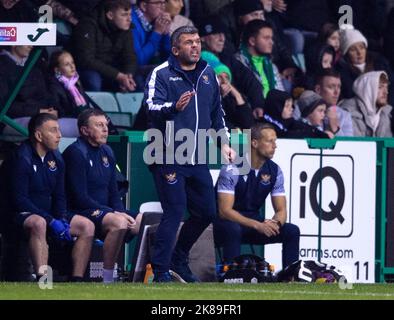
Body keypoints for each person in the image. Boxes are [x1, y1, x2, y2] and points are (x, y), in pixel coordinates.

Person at [145, 25, 235, 282]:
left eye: (197, 42)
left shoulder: (209, 74)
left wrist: (224, 143)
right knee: (174, 211)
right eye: (188, 43)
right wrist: (173, 107)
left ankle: (178, 259)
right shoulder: (161, 73)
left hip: (196, 158)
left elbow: (217, 113)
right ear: (175, 49)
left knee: (207, 212)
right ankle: (160, 271)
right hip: (167, 153)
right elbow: (151, 106)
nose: (195, 46)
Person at [6, 113, 94, 281]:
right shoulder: (20, 158)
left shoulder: (56, 158)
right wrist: (50, 221)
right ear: (38, 135)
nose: (59, 135)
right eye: (53, 131)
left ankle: (76, 279)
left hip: (49, 214)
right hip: (19, 214)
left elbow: (59, 194)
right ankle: (43, 278)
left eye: (59, 130)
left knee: (86, 226)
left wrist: (61, 218)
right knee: (39, 223)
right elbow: (19, 200)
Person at [62, 109, 142, 283]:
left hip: (105, 211)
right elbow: (79, 197)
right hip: (79, 210)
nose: (105, 129)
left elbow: (113, 192)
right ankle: (107, 279)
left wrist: (120, 211)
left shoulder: (107, 152)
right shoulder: (75, 152)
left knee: (145, 221)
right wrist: (113, 213)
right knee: (118, 222)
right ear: (85, 130)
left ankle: (143, 274)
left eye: (106, 124)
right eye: (99, 125)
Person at [213, 122, 300, 268]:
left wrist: (275, 223)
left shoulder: (275, 170)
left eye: (275, 141)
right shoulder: (231, 167)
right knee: (233, 229)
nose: (275, 145)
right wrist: (257, 225)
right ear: (254, 143)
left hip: (254, 224)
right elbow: (224, 211)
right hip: (224, 225)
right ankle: (231, 274)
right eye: (269, 141)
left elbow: (281, 210)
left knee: (291, 231)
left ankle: (289, 276)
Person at [47, 50, 119, 134]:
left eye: (72, 62)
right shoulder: (53, 87)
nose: (72, 66)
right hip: (71, 124)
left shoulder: (76, 83)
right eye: (67, 64)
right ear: (57, 70)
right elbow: (61, 112)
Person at [72, 0, 137, 92]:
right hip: (86, 68)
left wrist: (128, 75)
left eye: (130, 14)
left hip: (111, 70)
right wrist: (118, 75)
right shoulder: (88, 25)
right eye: (124, 15)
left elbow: (130, 56)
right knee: (93, 80)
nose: (129, 19)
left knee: (141, 78)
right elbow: (86, 60)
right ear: (110, 15)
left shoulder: (126, 27)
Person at [235, 19, 285, 99]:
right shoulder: (238, 64)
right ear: (252, 41)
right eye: (266, 38)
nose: (271, 42)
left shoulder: (270, 65)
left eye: (271, 38)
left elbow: (281, 94)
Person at [340, 71, 393, 137]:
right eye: (380, 87)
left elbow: (389, 145)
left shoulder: (385, 114)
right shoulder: (348, 112)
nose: (386, 92)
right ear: (367, 89)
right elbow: (355, 145)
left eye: (386, 87)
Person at [314, 68, 354, 137]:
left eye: (339, 87)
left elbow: (349, 146)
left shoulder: (345, 116)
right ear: (318, 89)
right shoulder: (303, 110)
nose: (336, 92)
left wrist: (336, 129)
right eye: (331, 87)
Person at [132, 0, 172, 66]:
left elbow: (170, 59)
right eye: (158, 3)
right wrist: (157, 33)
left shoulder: (157, 21)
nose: (163, 7)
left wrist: (165, 33)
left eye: (164, 2)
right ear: (144, 6)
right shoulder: (130, 22)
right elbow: (138, 62)